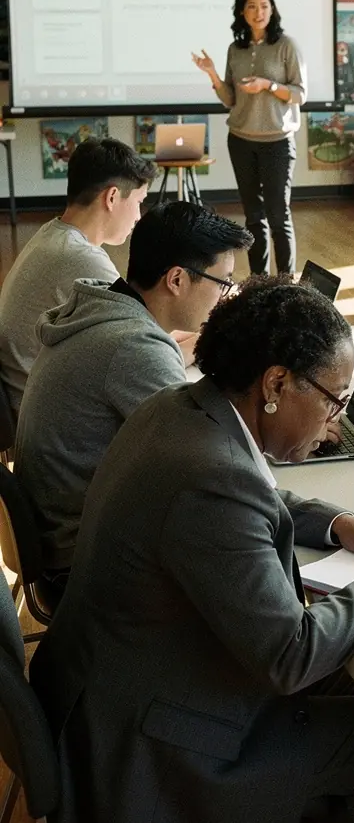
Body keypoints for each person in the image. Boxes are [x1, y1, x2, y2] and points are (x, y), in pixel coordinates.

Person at [30, 277, 354, 823]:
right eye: (334, 401)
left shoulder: (179, 410)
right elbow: (289, 655)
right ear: (276, 382)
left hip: (117, 693)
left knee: (351, 677)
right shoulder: (211, 479)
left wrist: (339, 525)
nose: (335, 421)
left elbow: (255, 492)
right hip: (152, 752)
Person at [15, 201, 252, 586]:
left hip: (58, 531)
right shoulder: (134, 347)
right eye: (223, 283)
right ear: (176, 280)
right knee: (241, 535)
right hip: (81, 562)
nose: (225, 297)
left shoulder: (103, 308)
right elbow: (210, 460)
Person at [0, 137, 155, 419]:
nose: (138, 216)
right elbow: (147, 341)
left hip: (23, 396)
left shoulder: (53, 234)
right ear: (111, 198)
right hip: (37, 413)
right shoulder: (79, 256)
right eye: (138, 202)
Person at [192, 0, 305, 275]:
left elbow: (299, 94)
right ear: (242, 12)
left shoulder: (286, 46)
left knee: (279, 216)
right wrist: (213, 74)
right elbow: (231, 99)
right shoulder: (235, 49)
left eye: (265, 6)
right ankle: (259, 281)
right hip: (241, 140)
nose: (259, 12)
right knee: (254, 217)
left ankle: (284, 283)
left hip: (278, 141)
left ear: (273, 10)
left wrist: (268, 85)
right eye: (252, 7)